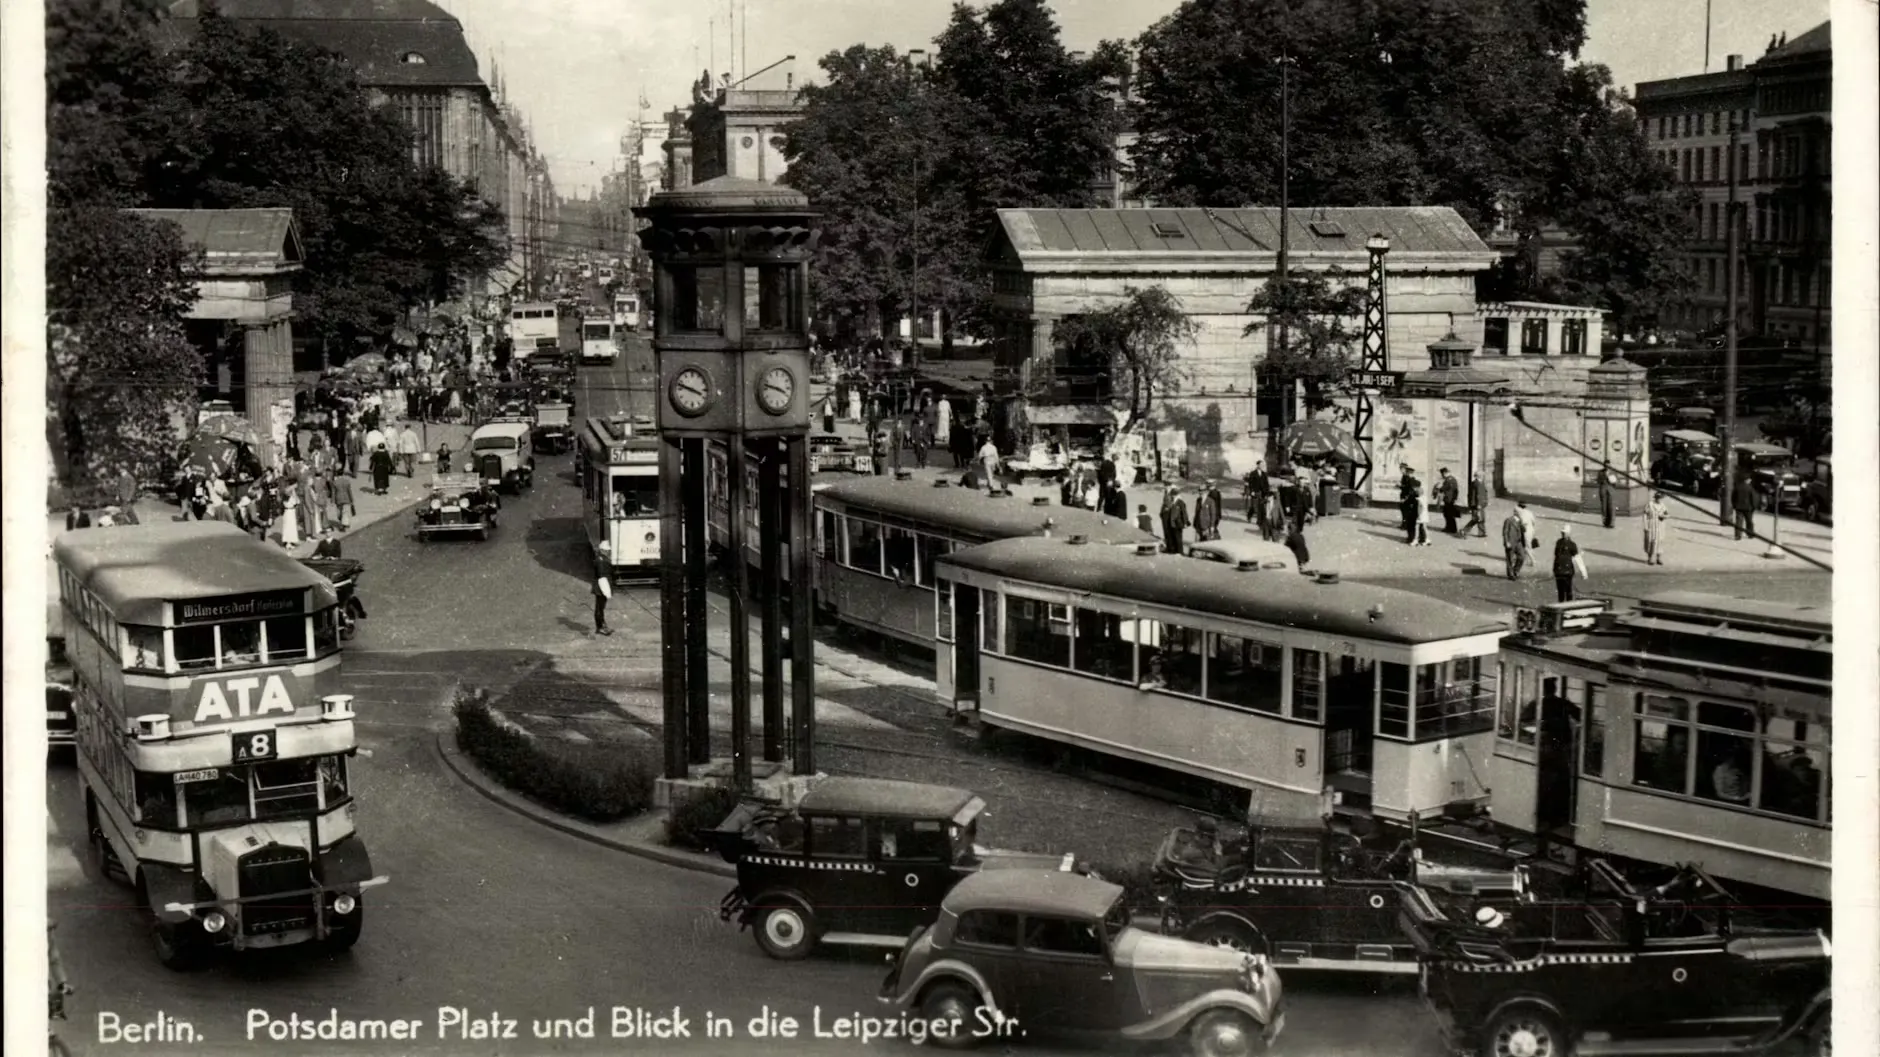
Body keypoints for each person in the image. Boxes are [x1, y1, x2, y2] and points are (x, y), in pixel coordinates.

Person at [1552, 524, 1581, 602]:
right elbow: (1556, 555)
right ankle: (1563, 606)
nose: (1563, 534)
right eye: (1562, 532)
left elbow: (1577, 558)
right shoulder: (1560, 543)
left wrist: (1583, 571)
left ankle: (1566, 606)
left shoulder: (1571, 545)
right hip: (1562, 571)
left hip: (1565, 571)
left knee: (1567, 591)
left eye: (1564, 533)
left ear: (1568, 533)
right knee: (1562, 591)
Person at [592, 542, 614, 636]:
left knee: (601, 607)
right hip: (602, 585)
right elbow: (602, 576)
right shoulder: (601, 560)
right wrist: (607, 590)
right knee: (599, 607)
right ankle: (600, 627)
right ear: (602, 550)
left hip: (603, 585)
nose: (608, 552)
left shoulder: (602, 559)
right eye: (607, 550)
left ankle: (602, 626)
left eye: (608, 550)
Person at [1643, 490, 1670, 565]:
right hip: (1651, 524)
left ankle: (1659, 558)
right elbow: (1645, 514)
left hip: (1660, 525)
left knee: (1660, 541)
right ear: (1655, 498)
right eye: (1658, 498)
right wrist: (1645, 525)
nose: (1659, 500)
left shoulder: (1663, 505)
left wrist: (1664, 516)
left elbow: (1667, 514)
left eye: (1661, 498)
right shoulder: (1650, 504)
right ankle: (1650, 558)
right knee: (1651, 541)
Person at [1501, 505, 1528, 580]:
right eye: (1520, 513)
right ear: (1515, 512)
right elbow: (1505, 532)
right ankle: (1511, 574)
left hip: (1518, 542)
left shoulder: (1520, 521)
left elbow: (1524, 530)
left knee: (1522, 557)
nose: (1521, 514)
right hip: (1510, 541)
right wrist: (1506, 541)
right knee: (1510, 558)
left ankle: (1516, 570)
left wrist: (1522, 523)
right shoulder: (1509, 520)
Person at [1161, 486, 1189, 555]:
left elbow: (1184, 513)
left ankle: (1180, 552)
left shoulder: (1180, 502)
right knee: (1173, 537)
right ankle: (1174, 550)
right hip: (1172, 523)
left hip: (1178, 523)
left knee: (1178, 538)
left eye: (1173, 495)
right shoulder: (1172, 502)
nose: (1172, 496)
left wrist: (1185, 522)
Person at [1731, 474, 1757, 541]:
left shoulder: (1737, 487)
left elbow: (1733, 497)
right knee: (1749, 521)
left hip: (1738, 507)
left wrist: (1734, 505)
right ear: (1747, 480)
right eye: (1749, 479)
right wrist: (1754, 507)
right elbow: (1753, 499)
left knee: (1738, 521)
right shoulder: (1750, 488)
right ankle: (1750, 534)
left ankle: (1738, 535)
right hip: (1748, 508)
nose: (1750, 481)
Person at [1398, 467, 1421, 544]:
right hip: (1414, 503)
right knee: (1412, 522)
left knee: (1410, 522)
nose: (1407, 474)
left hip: (1409, 503)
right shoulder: (1416, 482)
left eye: (1407, 473)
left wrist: (1404, 499)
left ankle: (1411, 538)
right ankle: (1412, 537)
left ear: (1409, 473)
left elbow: (1409, 493)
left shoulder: (1410, 482)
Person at [1463, 471, 1488, 538]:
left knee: (1480, 518)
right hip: (1478, 505)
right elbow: (1479, 495)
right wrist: (1479, 505)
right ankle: (1464, 530)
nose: (1483, 476)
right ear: (1479, 476)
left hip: (1477, 504)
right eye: (1482, 475)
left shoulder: (1475, 483)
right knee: (1476, 519)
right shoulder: (1478, 483)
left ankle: (1482, 532)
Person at [1438, 468, 1461, 535]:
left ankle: (1452, 528)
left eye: (1442, 474)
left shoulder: (1450, 480)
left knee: (1449, 514)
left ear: (1445, 473)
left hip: (1449, 500)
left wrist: (1440, 488)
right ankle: (1450, 527)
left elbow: (1451, 490)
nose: (1442, 476)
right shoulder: (1449, 479)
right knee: (1447, 514)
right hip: (1448, 499)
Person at [1597, 462, 1617, 528]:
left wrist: (1612, 479)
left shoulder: (1613, 472)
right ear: (1604, 466)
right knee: (1604, 507)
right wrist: (1604, 477)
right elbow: (1598, 481)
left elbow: (1615, 482)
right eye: (1606, 466)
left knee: (1611, 507)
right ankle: (1605, 522)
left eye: (1608, 466)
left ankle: (1612, 523)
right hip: (1603, 491)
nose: (1607, 467)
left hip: (1611, 491)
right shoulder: (1600, 472)